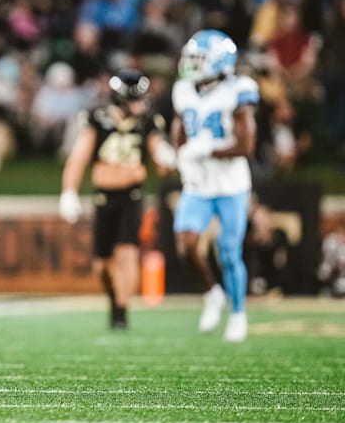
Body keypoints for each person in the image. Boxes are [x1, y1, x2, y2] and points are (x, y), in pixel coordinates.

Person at [59, 69, 172, 330]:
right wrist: (69, 191)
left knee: (128, 253)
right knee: (102, 264)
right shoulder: (97, 119)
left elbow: (160, 160)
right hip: (103, 196)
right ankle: (115, 299)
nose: (140, 104)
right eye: (135, 99)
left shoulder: (148, 122)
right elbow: (79, 157)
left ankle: (122, 312)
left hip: (132, 195)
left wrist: (166, 156)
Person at [171, 30, 259, 342]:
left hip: (231, 183)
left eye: (199, 59)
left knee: (228, 251)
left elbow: (247, 145)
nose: (191, 65)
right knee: (186, 244)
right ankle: (212, 293)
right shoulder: (183, 90)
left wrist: (207, 149)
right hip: (199, 183)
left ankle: (238, 314)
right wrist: (178, 156)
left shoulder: (239, 90)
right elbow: (180, 130)